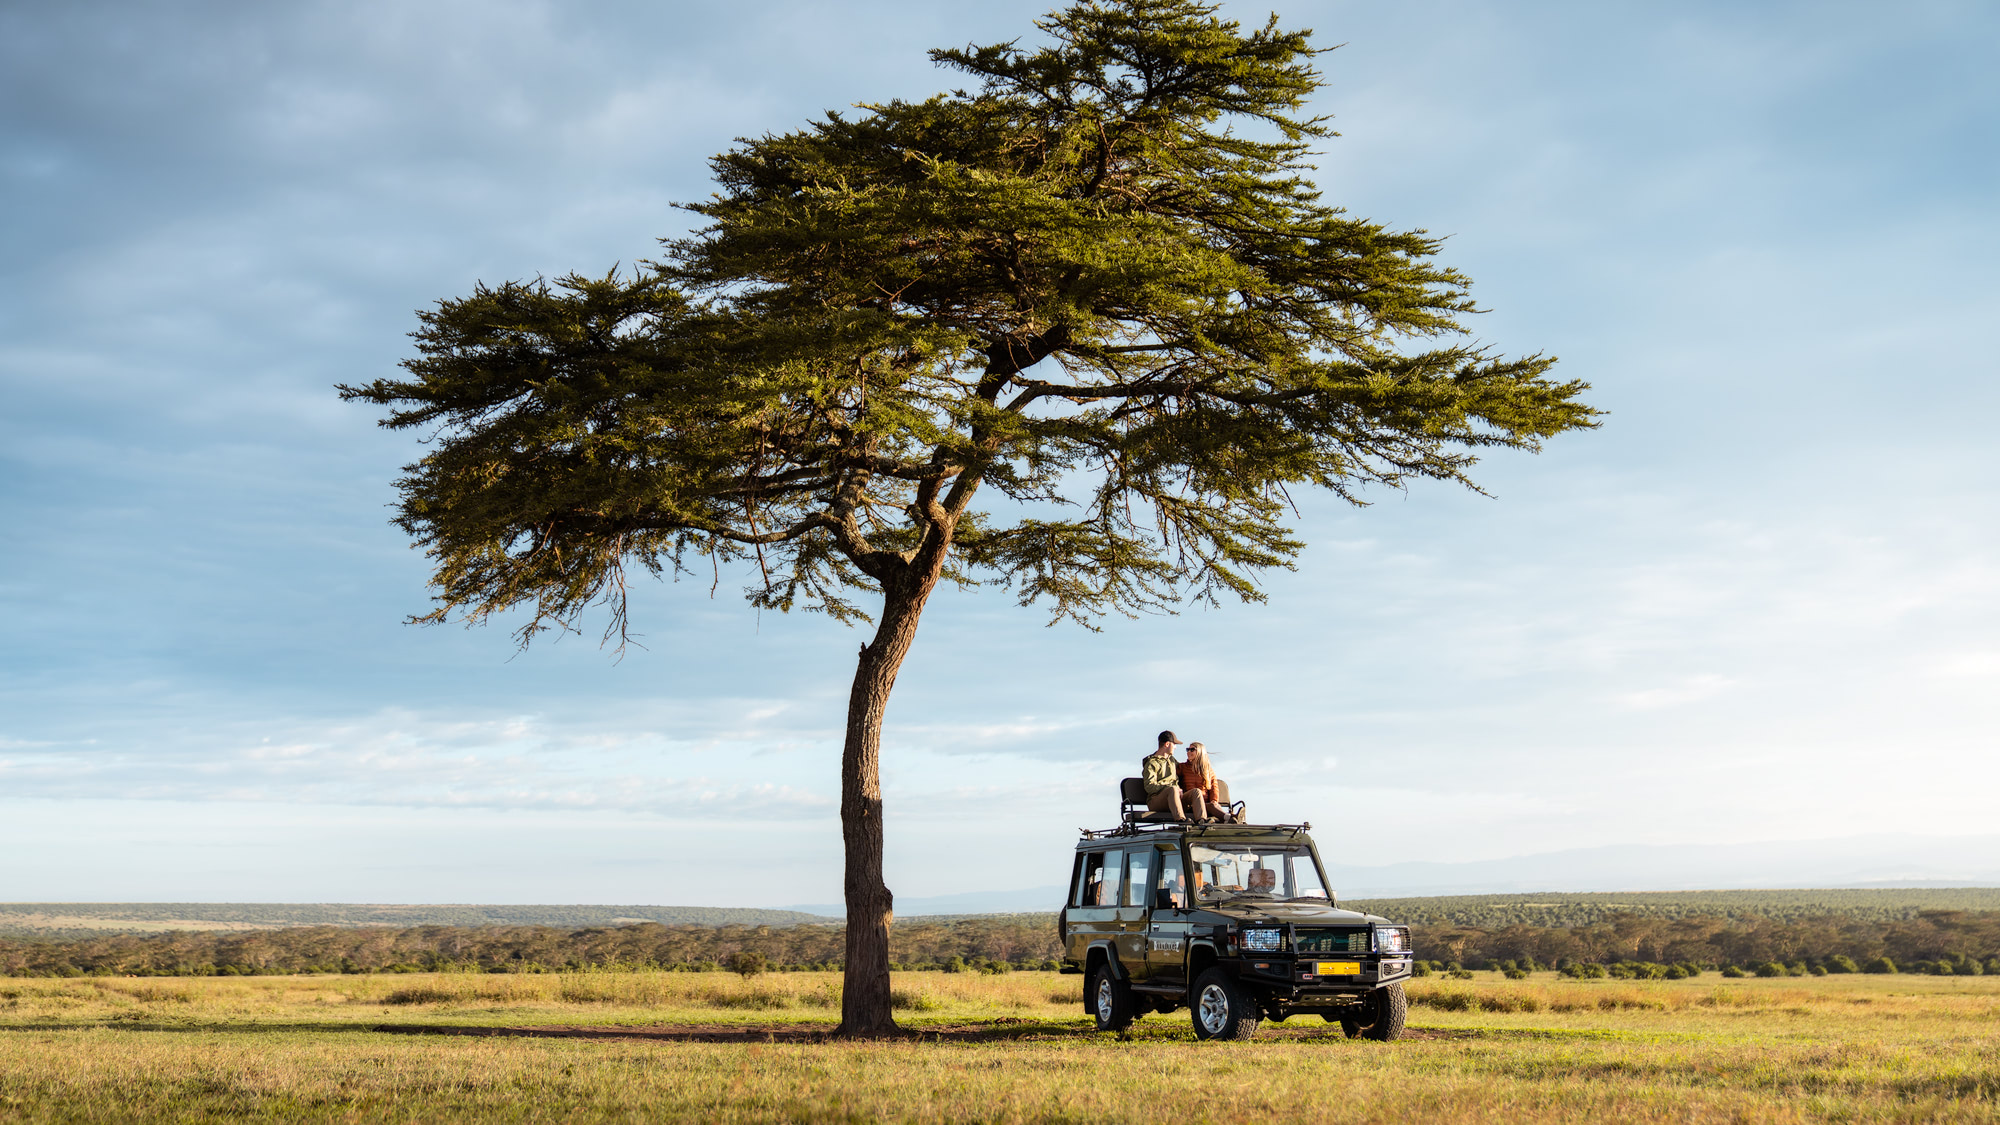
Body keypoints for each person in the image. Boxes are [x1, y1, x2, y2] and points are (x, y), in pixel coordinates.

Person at [1142, 731, 1208, 822]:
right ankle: (1180, 820)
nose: (1175, 747)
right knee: (1172, 789)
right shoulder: (1151, 763)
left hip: (1176, 799)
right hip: (1157, 801)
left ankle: (1202, 820)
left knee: (1196, 792)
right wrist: (1170, 788)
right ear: (1167, 744)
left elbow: (1185, 769)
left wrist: (1200, 763)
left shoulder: (1172, 760)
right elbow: (1149, 786)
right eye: (1174, 744)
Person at [1179, 741, 1248, 823]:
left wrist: (1214, 800)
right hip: (1191, 805)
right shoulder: (1182, 767)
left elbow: (1214, 788)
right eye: (1188, 749)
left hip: (1207, 804)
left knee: (1213, 805)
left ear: (1200, 752)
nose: (1189, 752)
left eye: (1192, 749)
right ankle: (1231, 818)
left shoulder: (1208, 771)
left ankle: (1228, 820)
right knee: (1210, 805)